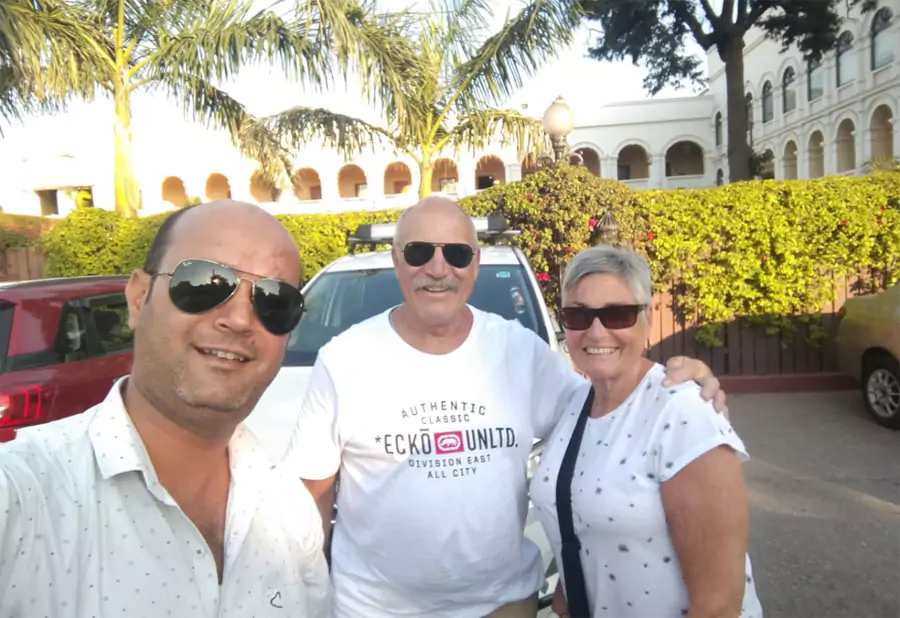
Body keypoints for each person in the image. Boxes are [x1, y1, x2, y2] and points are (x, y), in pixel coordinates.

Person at [286, 196, 728, 618]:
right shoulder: (343, 359)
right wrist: (303, 598)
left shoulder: (520, 349)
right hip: (375, 609)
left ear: (475, 264)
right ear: (396, 260)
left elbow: (605, 416)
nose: (438, 268)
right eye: (419, 252)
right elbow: (311, 498)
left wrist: (672, 380)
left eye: (457, 254)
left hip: (504, 604)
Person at [0, 201, 330, 617]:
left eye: (274, 301)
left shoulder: (288, 507)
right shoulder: (24, 497)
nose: (240, 319)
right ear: (139, 299)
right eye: (204, 284)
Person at [531, 244, 763, 618]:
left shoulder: (683, 411)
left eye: (617, 315)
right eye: (578, 315)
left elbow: (719, 605)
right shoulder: (574, 405)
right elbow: (580, 525)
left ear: (647, 318)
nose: (596, 331)